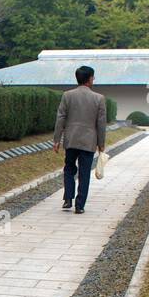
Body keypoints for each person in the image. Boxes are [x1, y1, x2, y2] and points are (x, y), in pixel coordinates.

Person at [54, 65, 107, 213]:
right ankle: (80, 205)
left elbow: (61, 118)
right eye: (93, 77)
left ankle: (67, 199)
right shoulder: (99, 98)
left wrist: (57, 139)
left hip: (71, 139)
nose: (94, 79)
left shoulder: (67, 95)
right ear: (89, 79)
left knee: (69, 169)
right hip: (89, 141)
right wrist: (101, 144)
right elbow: (101, 124)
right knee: (84, 174)